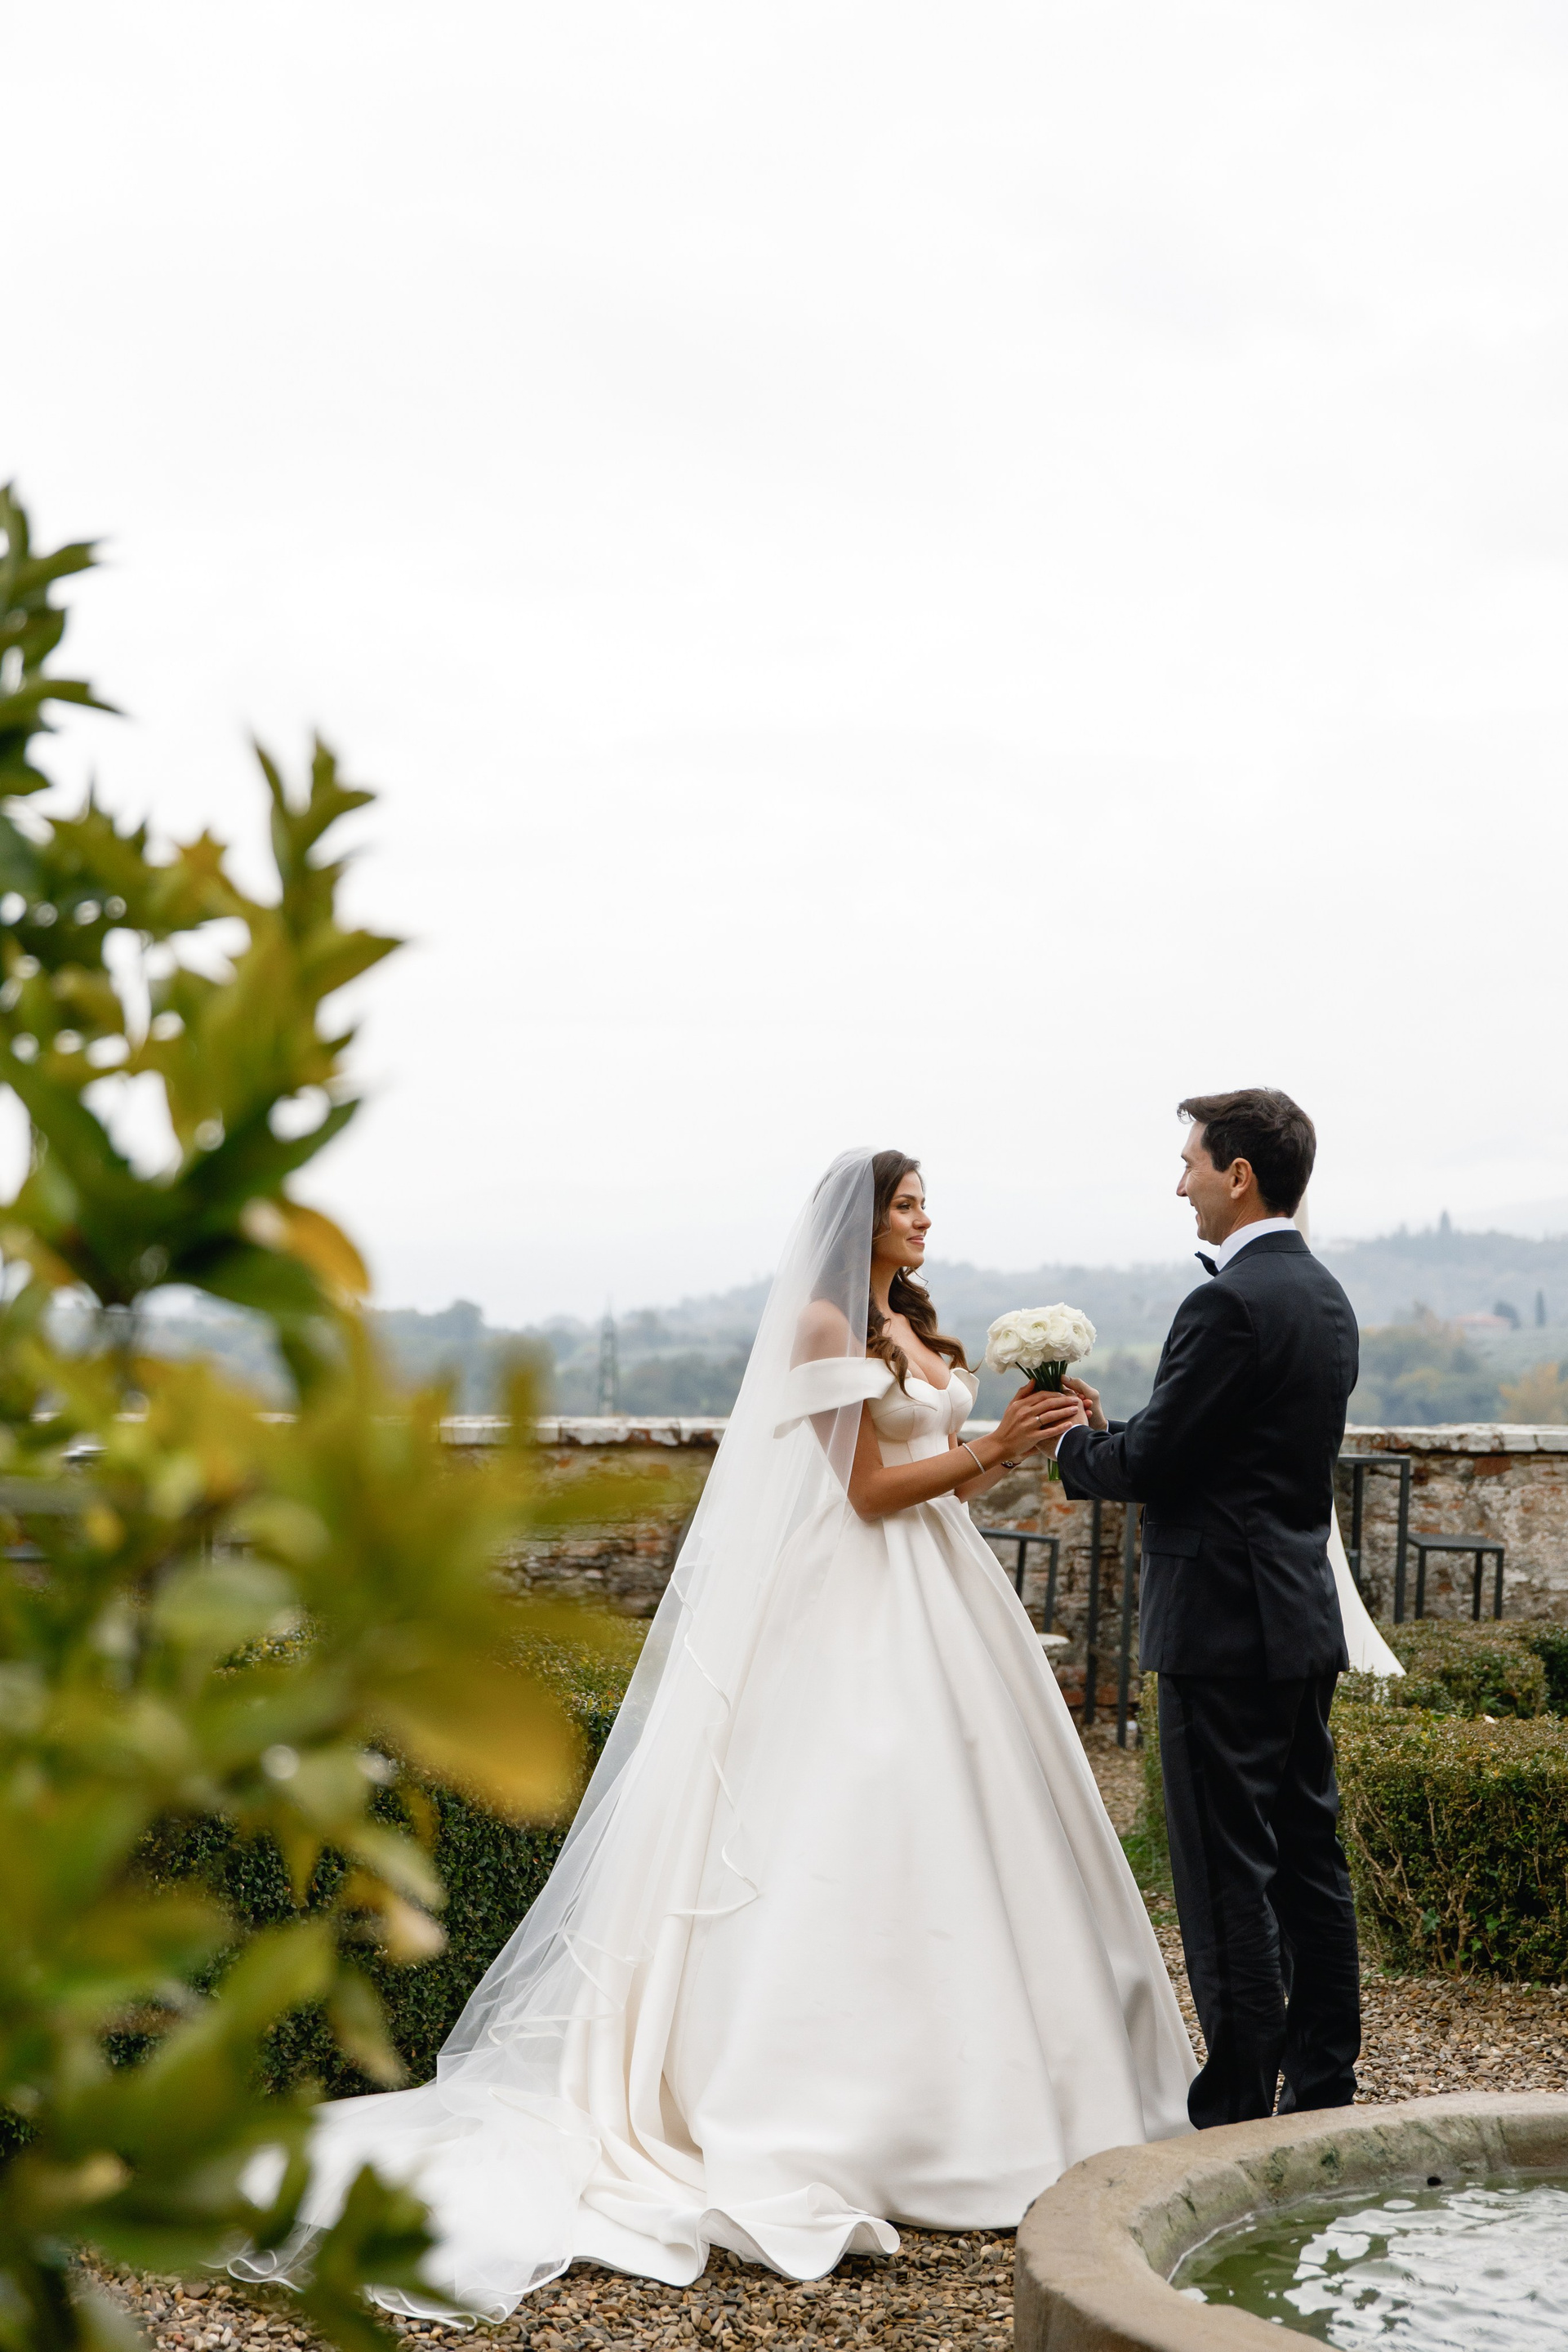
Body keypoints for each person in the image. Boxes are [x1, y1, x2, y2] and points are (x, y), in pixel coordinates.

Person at [238, 1150, 1196, 2318]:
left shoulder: (912, 1323)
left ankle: (998, 2098)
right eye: (905, 1205)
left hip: (945, 1590)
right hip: (852, 1601)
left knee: (973, 1824)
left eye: (924, 1205)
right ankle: (832, 2107)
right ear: (859, 1219)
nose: (923, 1220)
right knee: (845, 1816)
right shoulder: (823, 1323)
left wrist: (1020, 1444)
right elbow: (863, 1492)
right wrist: (992, 1446)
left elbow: (941, 1490)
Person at [1048, 1089, 1363, 2130]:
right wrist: (1120, 1434)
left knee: (1227, 1876)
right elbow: (1224, 1448)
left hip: (1220, 1631)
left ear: (1239, 1174)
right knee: (1308, 1863)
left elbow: (1157, 1462)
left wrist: (1070, 1447)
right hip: (1298, 1619)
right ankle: (1324, 2088)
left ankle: (1233, 2110)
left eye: (1189, 1162)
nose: (1179, 1183)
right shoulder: (1324, 1297)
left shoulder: (1226, 1304)